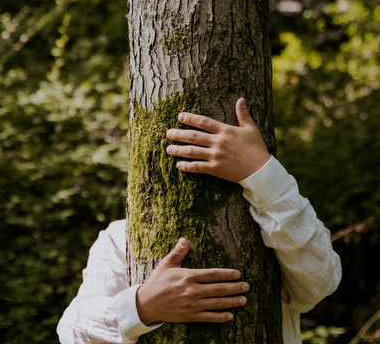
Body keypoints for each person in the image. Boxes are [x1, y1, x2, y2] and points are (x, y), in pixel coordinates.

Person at [57, 98, 342, 343]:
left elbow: (321, 283)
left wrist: (262, 172)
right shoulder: (121, 238)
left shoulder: (270, 217)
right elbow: (72, 332)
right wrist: (141, 307)